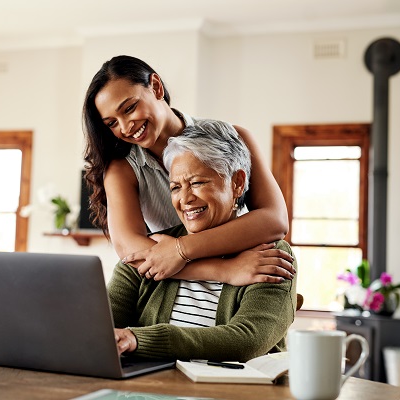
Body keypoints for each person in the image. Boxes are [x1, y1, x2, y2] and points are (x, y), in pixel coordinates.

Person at [83, 55, 294, 284]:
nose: (125, 127)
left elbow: (275, 220)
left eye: (130, 108)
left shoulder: (235, 137)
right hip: (181, 285)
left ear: (155, 86)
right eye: (112, 123)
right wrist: (224, 271)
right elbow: (130, 250)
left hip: (251, 268)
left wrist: (181, 249)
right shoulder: (122, 169)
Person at [108, 119, 297, 361]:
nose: (184, 199)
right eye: (175, 187)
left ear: (237, 183)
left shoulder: (271, 255)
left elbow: (247, 341)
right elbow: (101, 326)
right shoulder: (154, 251)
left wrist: (139, 339)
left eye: (197, 183)